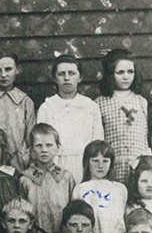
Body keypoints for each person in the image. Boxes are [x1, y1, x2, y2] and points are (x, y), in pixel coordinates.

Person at [37, 54, 104, 182]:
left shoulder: (90, 106)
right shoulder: (47, 107)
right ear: (55, 78)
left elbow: (98, 143)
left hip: (83, 166)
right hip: (55, 165)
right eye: (61, 74)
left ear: (80, 78)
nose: (67, 78)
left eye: (72, 73)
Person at [95, 49, 150, 184]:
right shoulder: (100, 103)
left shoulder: (141, 101)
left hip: (138, 167)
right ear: (110, 74)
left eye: (130, 72)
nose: (126, 77)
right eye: (120, 72)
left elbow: (144, 137)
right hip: (113, 166)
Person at [73, 140, 128, 233]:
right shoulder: (80, 189)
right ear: (87, 162)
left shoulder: (120, 189)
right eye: (95, 160)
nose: (100, 166)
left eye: (105, 161)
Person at [18, 123, 76, 233]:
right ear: (32, 151)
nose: (44, 150)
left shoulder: (66, 177)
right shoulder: (25, 179)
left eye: (49, 145)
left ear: (58, 148)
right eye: (39, 146)